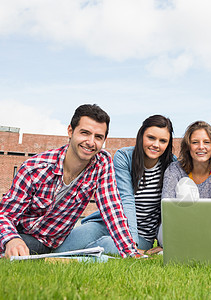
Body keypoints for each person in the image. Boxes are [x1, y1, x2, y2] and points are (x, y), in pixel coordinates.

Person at [0, 104, 140, 258]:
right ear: (70, 131)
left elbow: (112, 208)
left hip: (56, 241)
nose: (91, 142)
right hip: (24, 234)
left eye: (98, 137)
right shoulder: (35, 168)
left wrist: (130, 251)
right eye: (85, 133)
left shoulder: (102, 163)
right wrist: (11, 240)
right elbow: (5, 214)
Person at [55, 115, 174, 255]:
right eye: (151, 138)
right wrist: (131, 246)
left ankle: (91, 251)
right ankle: (87, 251)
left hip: (141, 235)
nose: (156, 144)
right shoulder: (124, 156)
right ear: (141, 136)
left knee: (109, 245)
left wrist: (132, 243)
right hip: (106, 224)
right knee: (63, 248)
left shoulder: (171, 165)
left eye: (163, 141)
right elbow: (126, 199)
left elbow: (170, 207)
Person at [162, 121, 211, 199]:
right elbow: (167, 206)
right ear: (188, 147)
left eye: (207, 142)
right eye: (195, 142)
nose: (201, 147)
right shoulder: (174, 170)